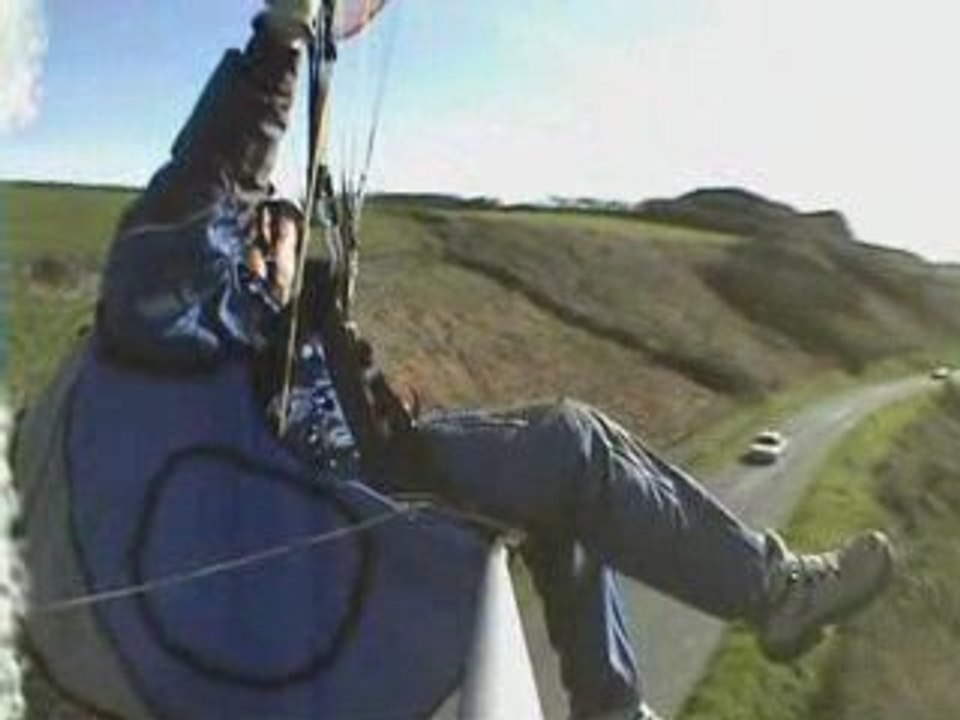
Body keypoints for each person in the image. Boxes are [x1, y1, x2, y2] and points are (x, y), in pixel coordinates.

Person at [19, 3, 894, 719]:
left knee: (559, 473)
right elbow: (198, 190)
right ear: (244, 239)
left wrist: (363, 387)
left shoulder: (242, 343)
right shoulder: (164, 316)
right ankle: (769, 598)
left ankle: (617, 702)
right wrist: (281, 42)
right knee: (572, 448)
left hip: (313, 510)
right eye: (276, 229)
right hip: (279, 550)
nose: (286, 245)